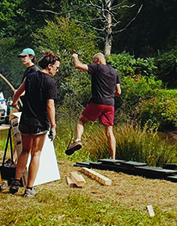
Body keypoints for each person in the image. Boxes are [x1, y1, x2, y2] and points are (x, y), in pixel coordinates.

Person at [9, 51, 60, 198]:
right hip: (39, 122)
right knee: (36, 153)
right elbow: (50, 105)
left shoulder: (30, 77)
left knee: (24, 151)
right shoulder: (50, 82)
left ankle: (16, 182)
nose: (57, 71)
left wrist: (14, 103)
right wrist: (53, 125)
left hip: (25, 120)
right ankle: (29, 188)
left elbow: (17, 93)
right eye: (56, 67)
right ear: (49, 67)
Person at [65, 52, 121, 159]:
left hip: (97, 102)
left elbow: (78, 65)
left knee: (81, 120)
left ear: (97, 61)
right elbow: (118, 92)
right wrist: (109, 96)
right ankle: (113, 158)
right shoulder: (114, 72)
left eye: (93, 62)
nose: (92, 64)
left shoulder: (98, 67)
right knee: (109, 131)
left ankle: (77, 140)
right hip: (110, 104)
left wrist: (75, 57)